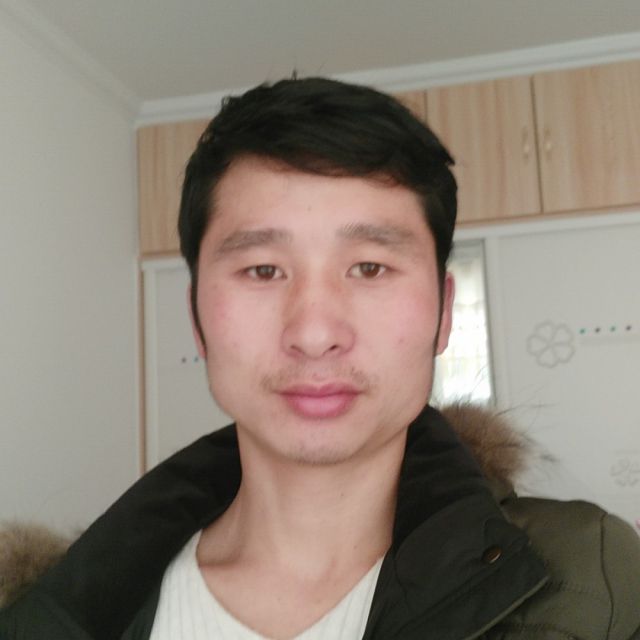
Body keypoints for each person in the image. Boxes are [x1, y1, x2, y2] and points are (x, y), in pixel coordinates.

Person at [1, 77, 639, 640]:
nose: (313, 333)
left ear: (444, 314)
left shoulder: (596, 579)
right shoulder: (51, 611)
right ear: (196, 318)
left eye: (370, 267)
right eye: (262, 269)